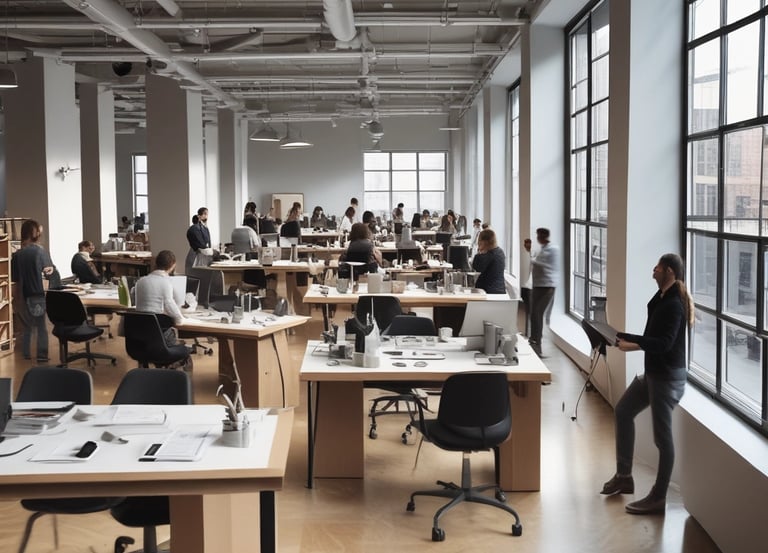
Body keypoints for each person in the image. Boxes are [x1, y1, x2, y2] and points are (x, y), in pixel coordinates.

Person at [601, 253, 693, 515]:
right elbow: (652, 335)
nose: (653, 272)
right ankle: (624, 476)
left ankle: (658, 496)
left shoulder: (675, 304)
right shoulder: (663, 298)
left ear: (670, 272)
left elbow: (664, 343)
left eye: (658, 268)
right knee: (623, 411)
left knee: (662, 440)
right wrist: (622, 337)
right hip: (653, 374)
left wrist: (635, 344)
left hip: (666, 378)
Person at [12, 220, 55, 362]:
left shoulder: (17, 255)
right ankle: (42, 355)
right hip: (37, 293)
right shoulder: (39, 251)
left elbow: (15, 280)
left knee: (27, 327)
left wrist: (16, 299)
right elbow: (49, 271)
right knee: (41, 327)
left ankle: (26, 354)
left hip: (22, 295)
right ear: (33, 233)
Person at [134, 250, 186, 346]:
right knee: (181, 345)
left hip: (139, 336)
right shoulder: (165, 282)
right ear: (172, 265)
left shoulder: (141, 281)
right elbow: (169, 305)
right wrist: (180, 319)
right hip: (158, 334)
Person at [524, 227, 559, 356]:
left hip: (547, 286)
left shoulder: (552, 249)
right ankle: (534, 340)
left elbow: (542, 264)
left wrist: (530, 255)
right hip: (538, 285)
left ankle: (537, 343)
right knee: (534, 314)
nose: (537, 238)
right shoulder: (543, 249)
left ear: (543, 236)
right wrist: (530, 252)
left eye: (538, 235)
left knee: (537, 314)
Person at [471, 228, 506, 294]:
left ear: (484, 241)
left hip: (489, 292)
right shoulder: (500, 251)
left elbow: (476, 267)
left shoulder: (489, 255)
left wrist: (479, 251)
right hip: (500, 289)